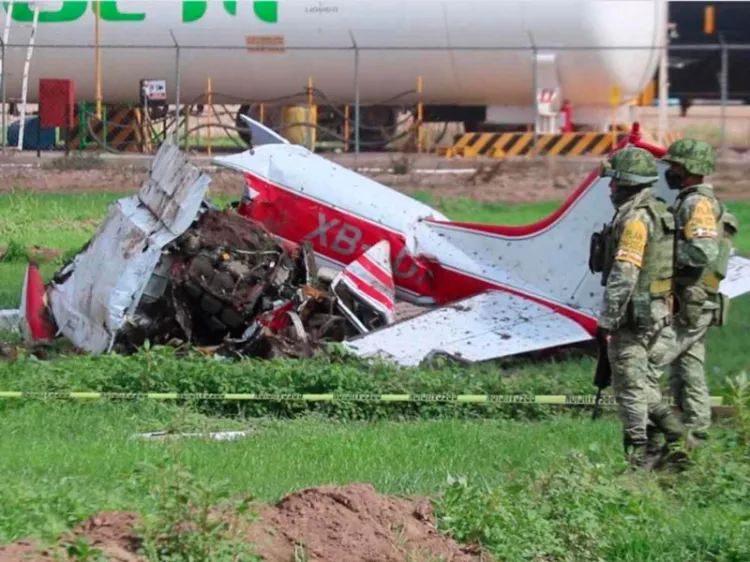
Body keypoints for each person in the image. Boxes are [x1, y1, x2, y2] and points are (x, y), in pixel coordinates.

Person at [591, 146, 687, 468]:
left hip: (636, 314)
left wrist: (607, 317)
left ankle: (641, 456)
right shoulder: (656, 210)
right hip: (658, 310)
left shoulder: (635, 219)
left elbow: (625, 271)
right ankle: (675, 440)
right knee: (643, 383)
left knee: (629, 386)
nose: (610, 189)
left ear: (626, 182)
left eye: (614, 182)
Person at [650, 138, 739, 442]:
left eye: (674, 166)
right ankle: (698, 436)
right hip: (696, 301)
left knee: (647, 364)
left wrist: (664, 256)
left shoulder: (696, 203)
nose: (670, 171)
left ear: (688, 168)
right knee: (689, 370)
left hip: (693, 301)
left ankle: (657, 433)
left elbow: (702, 252)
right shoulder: (692, 200)